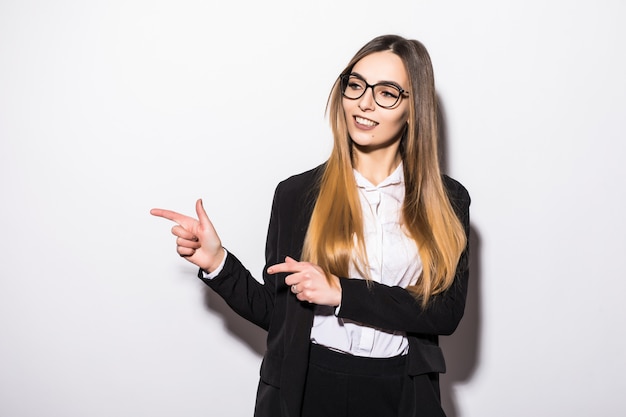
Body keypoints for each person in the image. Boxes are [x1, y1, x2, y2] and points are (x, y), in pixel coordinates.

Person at [151, 34, 470, 417]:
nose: (364, 102)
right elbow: (277, 314)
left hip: (401, 391)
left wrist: (342, 293)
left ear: (413, 108)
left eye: (386, 92)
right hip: (311, 388)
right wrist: (218, 262)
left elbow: (444, 314)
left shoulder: (447, 200)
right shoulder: (297, 194)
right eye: (355, 85)